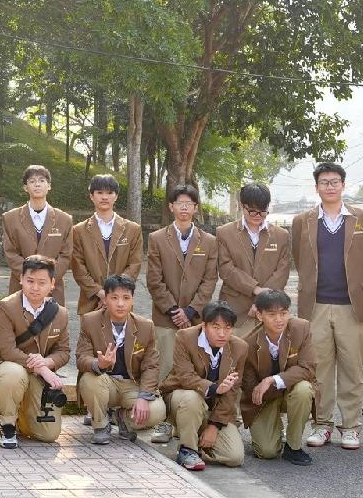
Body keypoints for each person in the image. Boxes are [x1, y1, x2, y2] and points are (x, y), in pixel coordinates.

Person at [289, 161, 363, 451]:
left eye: (335, 181)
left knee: (353, 368)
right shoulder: (303, 221)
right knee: (319, 369)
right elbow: (298, 257)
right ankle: (322, 424)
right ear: (316, 187)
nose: (329, 186)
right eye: (324, 182)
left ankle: (351, 427)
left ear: (343, 185)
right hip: (315, 305)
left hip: (352, 306)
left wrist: (357, 287)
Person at [143, 184, 219, 440]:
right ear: (171, 207)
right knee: (165, 370)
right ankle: (164, 422)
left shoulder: (209, 242)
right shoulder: (157, 239)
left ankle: (188, 421)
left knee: (193, 371)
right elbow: (154, 279)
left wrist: (190, 310)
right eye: (180, 203)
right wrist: (174, 310)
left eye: (189, 204)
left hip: (196, 320)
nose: (184, 208)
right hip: (166, 318)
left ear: (196, 209)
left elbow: (209, 281)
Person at [74, 274, 166, 445]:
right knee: (89, 379)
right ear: (105, 299)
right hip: (104, 382)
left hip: (131, 384)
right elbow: (81, 357)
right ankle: (101, 425)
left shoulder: (146, 326)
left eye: (126, 298)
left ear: (133, 300)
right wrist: (98, 364)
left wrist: (144, 397)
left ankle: (123, 419)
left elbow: (151, 366)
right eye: (114, 298)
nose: (120, 303)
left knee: (157, 410)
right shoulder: (90, 321)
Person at [0, 255, 70, 447]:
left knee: (48, 435)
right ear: (21, 279)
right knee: (12, 373)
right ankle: (7, 424)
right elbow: (6, 349)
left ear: (52, 283)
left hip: (40, 373)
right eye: (30, 281)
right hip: (11, 365)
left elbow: (63, 351)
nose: (35, 288)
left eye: (42, 282)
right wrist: (41, 368)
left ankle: (22, 419)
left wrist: (47, 363)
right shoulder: (6, 307)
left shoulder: (60, 313)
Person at [161, 302, 247, 471]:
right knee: (193, 398)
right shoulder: (185, 337)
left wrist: (214, 426)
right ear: (204, 325)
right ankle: (188, 450)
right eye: (216, 327)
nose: (222, 333)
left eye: (228, 328)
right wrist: (215, 388)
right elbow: (185, 377)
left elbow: (233, 391)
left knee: (234, 457)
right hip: (180, 397)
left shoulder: (240, 347)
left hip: (212, 409)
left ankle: (192, 433)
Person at [241, 289, 316, 464]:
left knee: (304, 389)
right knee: (267, 452)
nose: (279, 319)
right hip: (264, 399)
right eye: (272, 314)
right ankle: (273, 428)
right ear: (259, 316)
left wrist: (272, 380)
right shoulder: (248, 343)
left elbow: (308, 368)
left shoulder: (301, 328)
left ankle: (293, 446)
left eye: (284, 313)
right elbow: (250, 388)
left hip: (291, 391)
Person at [216, 182, 292, 337]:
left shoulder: (281, 235)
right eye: (252, 211)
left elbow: (282, 272)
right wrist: (255, 289)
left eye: (262, 211)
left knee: (268, 358)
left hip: (270, 311)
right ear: (241, 206)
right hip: (235, 310)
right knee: (234, 358)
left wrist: (261, 301)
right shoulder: (224, 233)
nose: (258, 216)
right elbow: (226, 269)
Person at [70, 175, 143, 313]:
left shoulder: (132, 229)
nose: (104, 197)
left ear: (116, 196)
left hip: (121, 303)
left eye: (109, 193)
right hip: (91, 303)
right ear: (91, 196)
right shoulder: (78, 230)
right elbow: (78, 268)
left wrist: (114, 295)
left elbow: (135, 264)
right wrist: (100, 292)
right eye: (99, 192)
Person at [1, 165, 73, 300]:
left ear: (49, 186)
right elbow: (10, 253)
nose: (37, 185)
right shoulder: (10, 218)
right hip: (20, 287)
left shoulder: (64, 219)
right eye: (32, 181)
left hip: (53, 288)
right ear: (25, 187)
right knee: (20, 321)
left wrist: (47, 280)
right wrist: (29, 280)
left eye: (41, 181)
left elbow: (66, 255)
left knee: (52, 321)